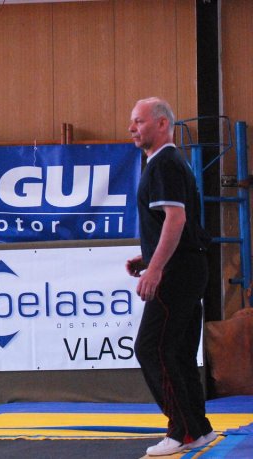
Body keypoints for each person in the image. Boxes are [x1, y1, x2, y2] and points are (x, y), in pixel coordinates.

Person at [126, 97, 216, 456]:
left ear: (162, 124)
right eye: (132, 122)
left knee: (151, 347)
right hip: (189, 265)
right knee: (177, 351)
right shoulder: (167, 164)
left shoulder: (163, 164)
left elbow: (176, 221)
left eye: (139, 121)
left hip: (178, 271)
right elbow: (173, 222)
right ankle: (198, 428)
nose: (132, 128)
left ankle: (183, 430)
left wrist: (157, 268)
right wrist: (147, 257)